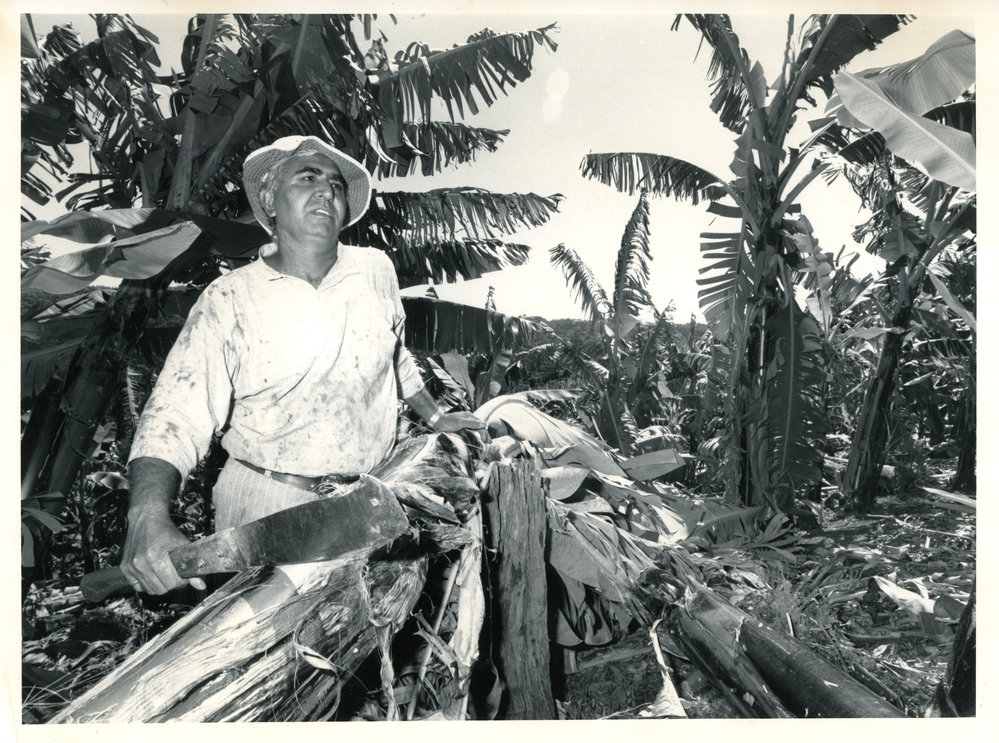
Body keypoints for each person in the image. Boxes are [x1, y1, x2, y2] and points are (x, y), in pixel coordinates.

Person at [121, 135, 483, 595]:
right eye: (307, 177)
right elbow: (176, 410)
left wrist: (434, 415)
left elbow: (393, 354)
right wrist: (147, 515)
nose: (326, 190)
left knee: (362, 645)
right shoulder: (231, 298)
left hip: (367, 499)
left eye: (334, 183)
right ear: (270, 199)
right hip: (269, 505)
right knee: (265, 651)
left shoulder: (375, 271)